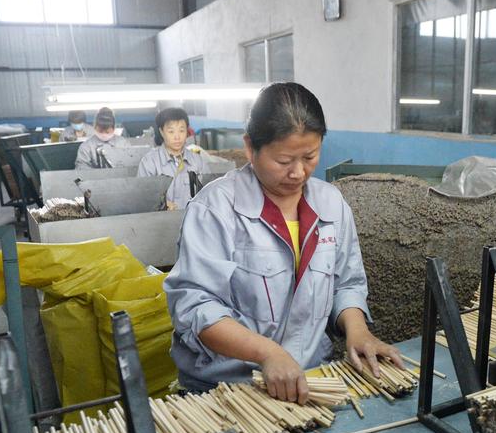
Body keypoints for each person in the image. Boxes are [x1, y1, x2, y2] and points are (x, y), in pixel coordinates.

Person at [164, 82, 403, 404]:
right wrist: (267, 353)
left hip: (311, 380)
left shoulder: (331, 204)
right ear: (250, 148)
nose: (298, 172)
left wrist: (358, 331)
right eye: (284, 160)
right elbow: (195, 306)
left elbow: (346, 283)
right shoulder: (216, 209)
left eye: (310, 156)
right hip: (228, 391)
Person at [137, 107, 209, 210]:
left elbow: (208, 194)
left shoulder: (197, 161)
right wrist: (161, 205)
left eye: (181, 131)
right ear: (162, 132)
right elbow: (141, 198)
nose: (177, 137)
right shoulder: (149, 162)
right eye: (171, 132)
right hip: (159, 223)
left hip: (192, 221)